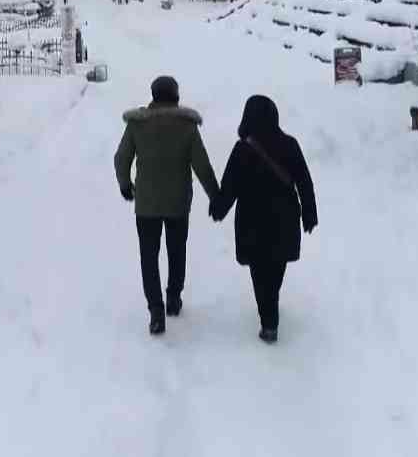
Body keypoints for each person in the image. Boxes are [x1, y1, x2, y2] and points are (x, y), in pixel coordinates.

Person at [114, 75, 221, 335]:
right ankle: (173, 298)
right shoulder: (187, 125)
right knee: (176, 251)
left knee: (148, 257)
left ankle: (156, 311)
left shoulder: (137, 124)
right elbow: (202, 166)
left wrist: (125, 185)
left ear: (153, 95)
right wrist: (215, 196)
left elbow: (121, 158)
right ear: (175, 95)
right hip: (178, 204)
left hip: (146, 205)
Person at [210, 95, 317, 344]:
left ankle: (269, 321)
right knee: (276, 268)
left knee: (259, 273)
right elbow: (304, 181)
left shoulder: (242, 148)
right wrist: (310, 213)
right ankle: (271, 310)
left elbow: (230, 185)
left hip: (252, 222)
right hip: (284, 220)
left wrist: (219, 208)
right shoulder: (290, 144)